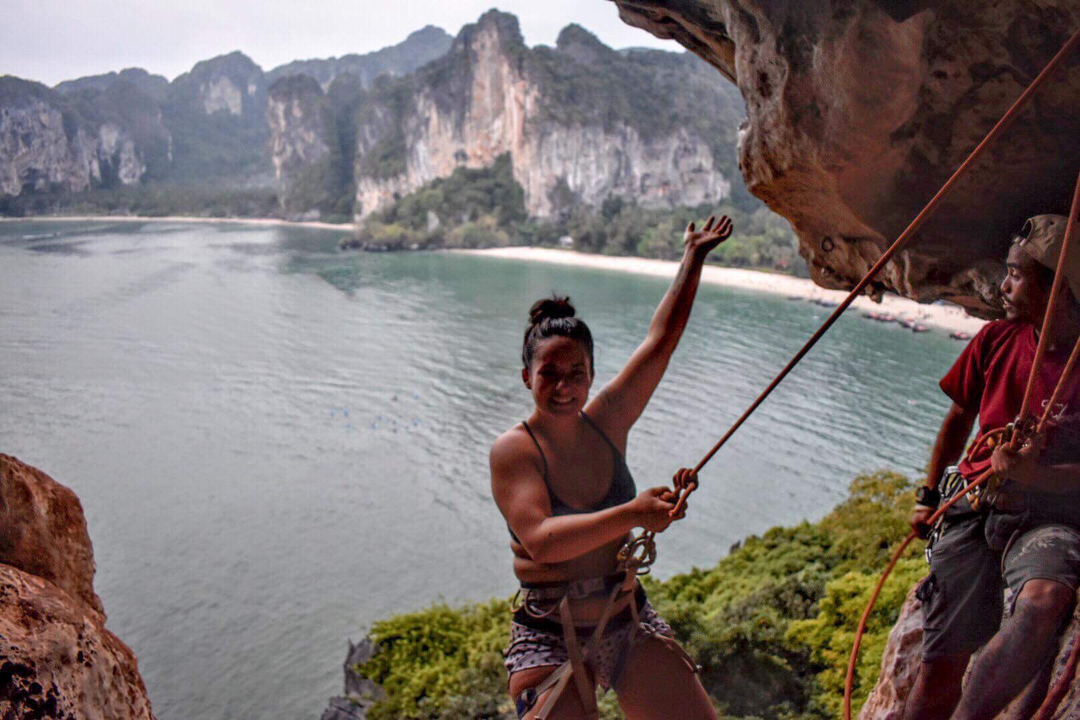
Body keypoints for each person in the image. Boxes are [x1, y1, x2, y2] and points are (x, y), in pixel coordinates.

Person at [491, 215, 732, 719]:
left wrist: (694, 256)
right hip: (549, 633)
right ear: (525, 376)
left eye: (576, 373)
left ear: (592, 375)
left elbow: (660, 342)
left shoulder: (607, 421)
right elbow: (542, 539)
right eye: (548, 374)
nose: (563, 386)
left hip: (626, 618)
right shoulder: (515, 451)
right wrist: (634, 514)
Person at [903, 214, 1080, 720]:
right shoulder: (998, 339)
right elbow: (959, 415)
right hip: (976, 504)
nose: (1003, 286)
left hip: (1050, 517)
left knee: (1044, 600)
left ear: (1058, 289)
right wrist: (928, 494)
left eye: (1018, 275)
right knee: (938, 673)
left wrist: (1033, 476)